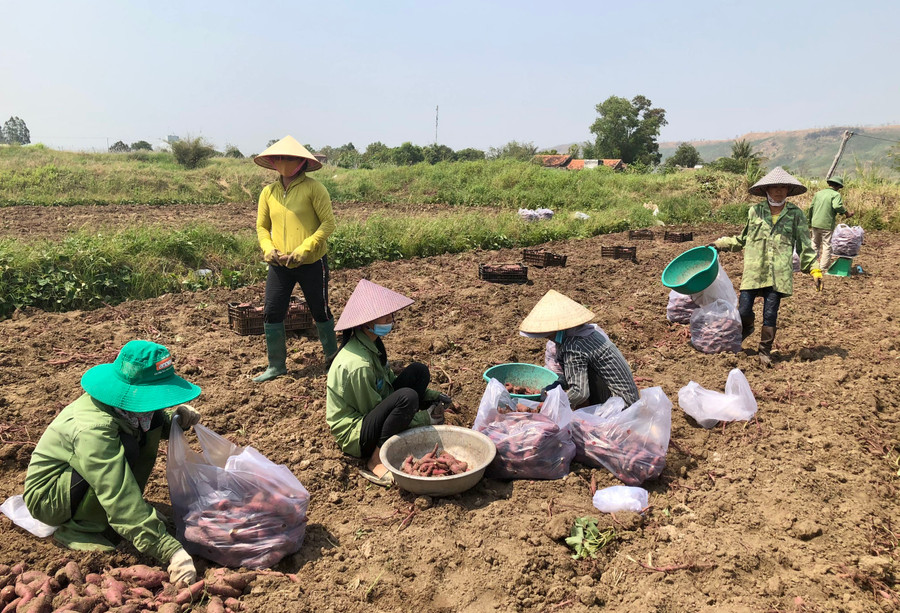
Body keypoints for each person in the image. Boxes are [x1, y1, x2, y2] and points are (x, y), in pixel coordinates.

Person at [23, 340, 203, 585]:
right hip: (50, 498)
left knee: (133, 439)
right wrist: (169, 550)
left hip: (83, 479)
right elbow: (116, 490)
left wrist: (175, 420)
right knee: (125, 450)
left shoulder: (128, 410)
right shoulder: (93, 429)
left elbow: (148, 423)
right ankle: (81, 528)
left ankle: (122, 518)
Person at [326, 279, 451, 486]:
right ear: (366, 321)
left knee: (419, 371)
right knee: (408, 398)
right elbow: (372, 410)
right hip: (356, 433)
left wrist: (431, 396)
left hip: (373, 412)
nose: (391, 319)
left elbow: (389, 381)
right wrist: (422, 419)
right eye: (386, 315)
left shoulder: (372, 343)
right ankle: (375, 460)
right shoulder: (358, 365)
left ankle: (414, 410)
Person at [714, 167, 819, 366]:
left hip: (779, 273)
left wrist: (814, 268)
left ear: (788, 190)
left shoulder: (796, 214)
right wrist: (720, 244)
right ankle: (746, 328)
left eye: (783, 187)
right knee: (744, 310)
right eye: (774, 187)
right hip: (754, 270)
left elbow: (805, 245)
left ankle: (764, 351)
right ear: (766, 190)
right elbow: (742, 238)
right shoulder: (755, 211)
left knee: (770, 313)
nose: (779, 191)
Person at [253, 135, 338, 382]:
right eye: (280, 157)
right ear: (273, 161)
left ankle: (333, 360)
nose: (284, 162)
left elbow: (328, 224)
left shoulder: (314, 188)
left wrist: (305, 248)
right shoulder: (268, 192)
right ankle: (276, 365)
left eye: (289, 158)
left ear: (301, 162)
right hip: (279, 264)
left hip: (312, 263)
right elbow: (262, 226)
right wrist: (268, 248)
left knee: (320, 310)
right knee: (272, 311)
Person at [519, 290, 639, 408]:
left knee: (574, 401)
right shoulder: (589, 332)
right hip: (628, 400)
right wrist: (560, 383)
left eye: (549, 335)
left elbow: (579, 393)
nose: (548, 338)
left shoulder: (573, 346)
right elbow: (575, 371)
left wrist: (548, 405)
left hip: (620, 407)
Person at [807, 175, 854, 274]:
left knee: (814, 243)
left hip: (815, 222)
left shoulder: (818, 194)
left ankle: (812, 264)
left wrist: (810, 221)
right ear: (838, 186)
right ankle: (823, 267)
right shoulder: (835, 195)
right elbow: (837, 206)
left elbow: (811, 208)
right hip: (827, 224)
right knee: (826, 245)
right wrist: (846, 213)